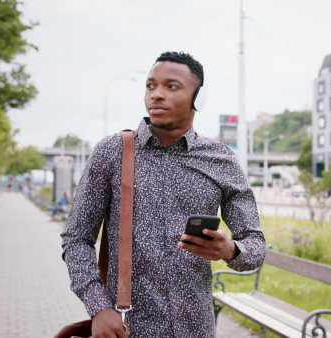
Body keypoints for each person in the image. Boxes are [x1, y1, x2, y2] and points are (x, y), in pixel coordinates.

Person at [61, 51, 266, 337]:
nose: (156, 95)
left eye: (171, 86)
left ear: (198, 98)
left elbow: (255, 244)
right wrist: (98, 307)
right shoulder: (112, 152)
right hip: (127, 327)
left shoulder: (221, 159)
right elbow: (76, 239)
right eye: (150, 85)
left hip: (196, 328)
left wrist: (230, 250)